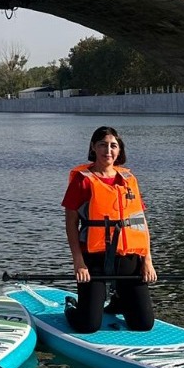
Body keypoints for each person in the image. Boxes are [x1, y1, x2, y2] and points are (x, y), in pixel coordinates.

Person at [63, 126, 158, 333]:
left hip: (128, 258)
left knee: (143, 325)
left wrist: (147, 261)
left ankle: (119, 300)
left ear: (119, 149)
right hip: (94, 259)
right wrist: (79, 262)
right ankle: (72, 307)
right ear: (93, 148)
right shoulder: (82, 180)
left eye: (113, 146)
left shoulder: (129, 179)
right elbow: (71, 225)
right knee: (87, 326)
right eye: (102, 145)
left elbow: (140, 223)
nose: (108, 150)